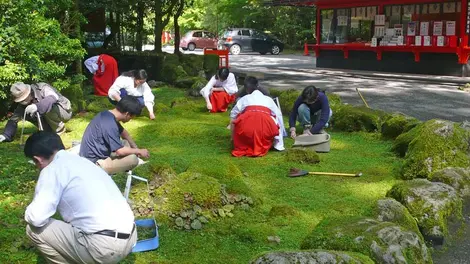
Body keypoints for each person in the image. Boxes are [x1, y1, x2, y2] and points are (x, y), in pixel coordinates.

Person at [24, 131, 136, 264]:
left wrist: (28, 212)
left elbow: (36, 218)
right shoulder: (83, 161)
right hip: (131, 238)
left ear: (38, 159)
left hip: (104, 247)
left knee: (34, 230)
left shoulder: (52, 170)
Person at [79, 96, 150, 175]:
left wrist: (135, 147)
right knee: (133, 160)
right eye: (131, 117)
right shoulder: (110, 124)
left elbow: (124, 133)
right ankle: (106, 167)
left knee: (126, 143)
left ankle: (120, 162)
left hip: (94, 152)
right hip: (93, 162)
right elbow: (120, 151)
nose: (130, 120)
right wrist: (139, 151)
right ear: (127, 114)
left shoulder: (107, 114)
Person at [230, 76, 285, 157]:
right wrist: (279, 143)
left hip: (246, 129)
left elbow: (232, 115)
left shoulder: (244, 98)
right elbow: (279, 116)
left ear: (246, 89)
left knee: (239, 117)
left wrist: (232, 137)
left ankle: (244, 142)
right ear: (257, 86)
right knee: (273, 119)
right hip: (265, 129)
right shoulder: (268, 99)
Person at [0, 82, 72, 143]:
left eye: (24, 99)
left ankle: (59, 131)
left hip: (64, 112)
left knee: (49, 106)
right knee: (27, 112)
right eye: (20, 100)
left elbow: (53, 97)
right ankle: (46, 131)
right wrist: (6, 135)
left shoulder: (42, 88)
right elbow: (13, 119)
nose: (22, 101)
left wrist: (37, 106)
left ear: (29, 93)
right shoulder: (23, 105)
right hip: (48, 121)